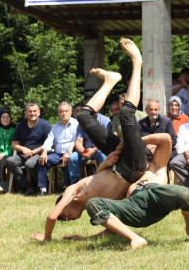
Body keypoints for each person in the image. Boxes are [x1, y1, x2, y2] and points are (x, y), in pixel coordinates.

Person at [31, 38, 165, 243]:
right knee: (125, 115)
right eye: (64, 221)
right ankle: (122, 73)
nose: (64, 219)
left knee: (84, 117)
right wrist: (83, 238)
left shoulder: (73, 191)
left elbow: (51, 216)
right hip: (133, 165)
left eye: (63, 216)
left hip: (121, 161)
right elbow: (111, 228)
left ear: (65, 203)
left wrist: (47, 238)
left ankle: (126, 70)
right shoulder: (93, 206)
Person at [68, 181, 189, 250]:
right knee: (93, 204)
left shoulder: (154, 162)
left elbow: (165, 139)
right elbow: (111, 223)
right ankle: (136, 238)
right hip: (133, 205)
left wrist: (144, 141)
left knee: (186, 195)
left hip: (157, 194)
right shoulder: (120, 172)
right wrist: (87, 238)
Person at [7, 102, 52, 195]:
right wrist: (24, 149)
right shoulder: (20, 125)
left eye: (35, 111)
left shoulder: (45, 125)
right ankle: (28, 187)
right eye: (30, 111)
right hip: (25, 154)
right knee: (10, 161)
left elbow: (50, 143)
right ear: (26, 113)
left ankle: (43, 184)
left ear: (39, 112)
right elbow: (14, 144)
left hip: (39, 153)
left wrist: (33, 152)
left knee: (29, 164)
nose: (32, 113)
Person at [37, 102, 79, 196]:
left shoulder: (76, 124)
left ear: (70, 112)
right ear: (58, 113)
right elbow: (49, 140)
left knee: (70, 159)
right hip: (57, 154)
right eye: (61, 111)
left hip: (71, 152)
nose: (64, 113)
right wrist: (44, 152)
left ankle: (66, 188)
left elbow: (75, 141)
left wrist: (68, 152)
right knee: (42, 160)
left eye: (66, 111)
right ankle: (42, 189)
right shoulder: (55, 126)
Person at [67, 110, 110, 185]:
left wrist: (93, 150)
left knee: (103, 155)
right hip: (86, 151)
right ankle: (75, 184)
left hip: (100, 149)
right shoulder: (82, 123)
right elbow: (78, 142)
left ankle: (104, 182)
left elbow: (107, 140)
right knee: (72, 157)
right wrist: (83, 151)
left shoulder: (105, 121)